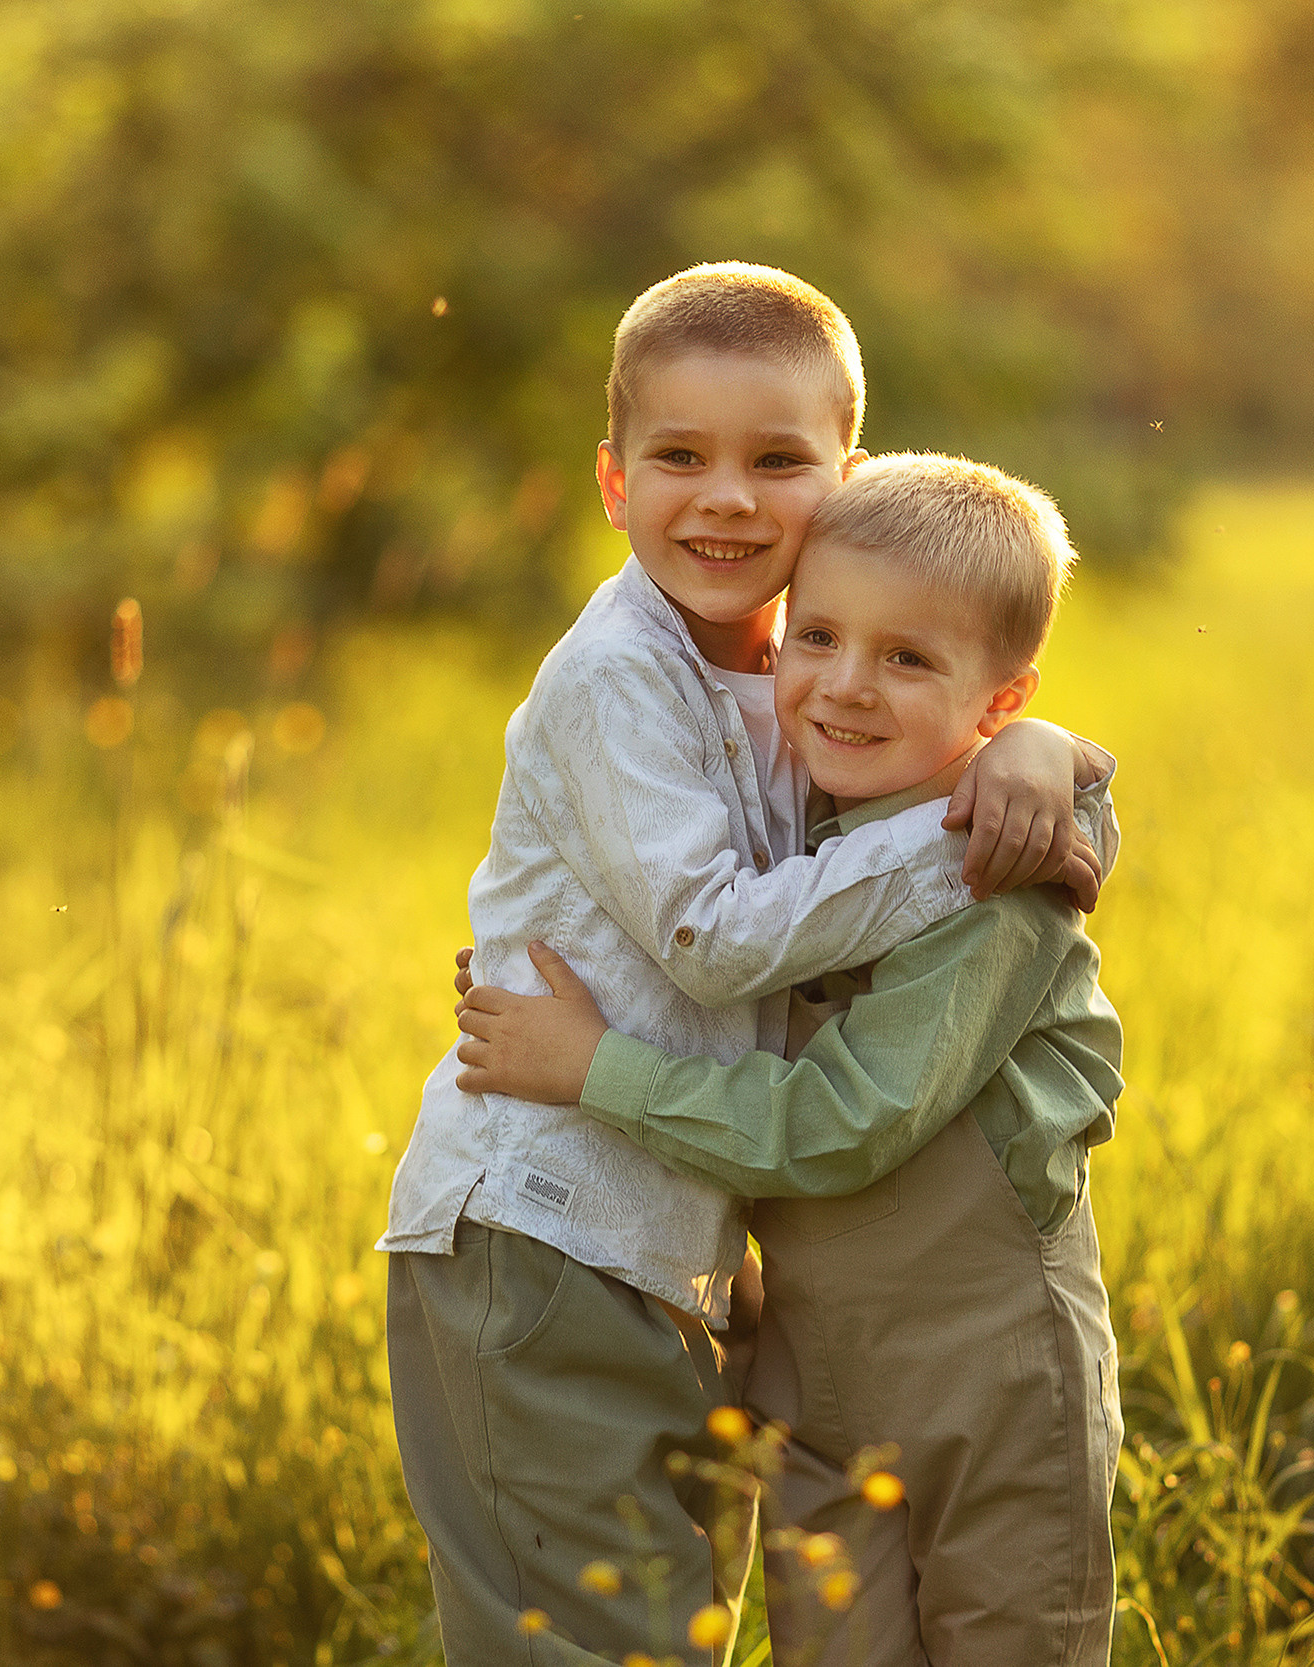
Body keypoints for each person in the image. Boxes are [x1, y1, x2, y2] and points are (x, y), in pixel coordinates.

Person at [378, 266, 1118, 1665]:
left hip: (671, 1257)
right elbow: (716, 939)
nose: (725, 497)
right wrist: (1025, 819)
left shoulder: (790, 673)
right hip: (543, 1227)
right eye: (679, 458)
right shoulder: (619, 675)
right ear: (612, 482)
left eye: (775, 461)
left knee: (663, 1633)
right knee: (590, 1643)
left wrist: (1042, 755)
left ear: (843, 482)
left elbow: (935, 721)